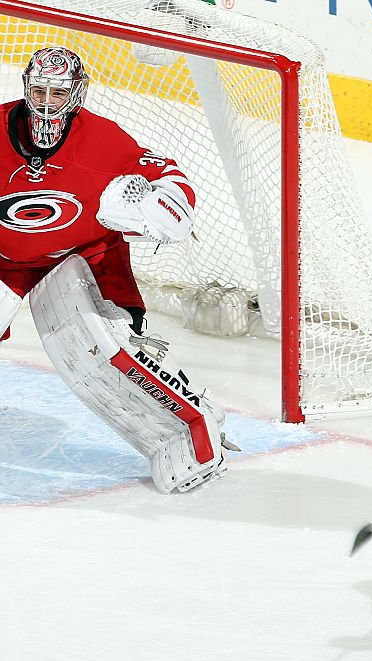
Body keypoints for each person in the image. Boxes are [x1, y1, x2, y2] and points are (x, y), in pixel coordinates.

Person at [1, 46, 233, 493]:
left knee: (116, 354)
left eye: (58, 93)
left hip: (85, 257)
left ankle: (197, 425)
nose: (47, 103)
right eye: (40, 90)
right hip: (6, 260)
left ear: (78, 94)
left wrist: (168, 202)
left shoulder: (105, 142)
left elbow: (166, 173)